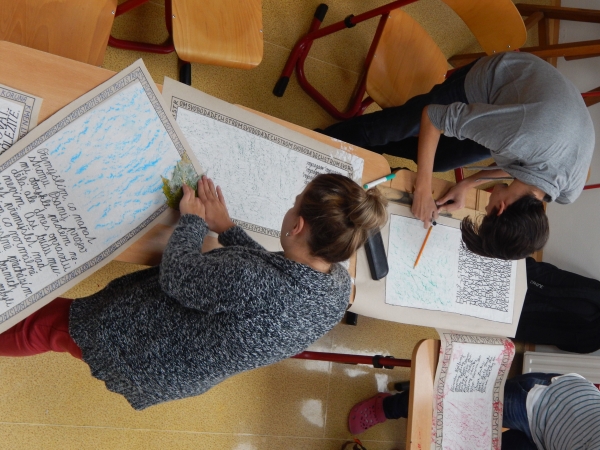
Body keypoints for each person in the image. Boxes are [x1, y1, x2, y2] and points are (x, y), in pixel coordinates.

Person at [0, 173, 388, 410]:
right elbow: (273, 274)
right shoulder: (338, 287)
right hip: (181, 369)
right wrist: (229, 228)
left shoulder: (250, 278)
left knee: (45, 325)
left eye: (294, 202)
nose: (290, 206)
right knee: (50, 322)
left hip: (141, 350)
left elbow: (179, 275)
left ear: (297, 225)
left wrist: (192, 222)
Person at [321, 52, 595, 260]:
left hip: (527, 112)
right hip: (495, 81)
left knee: (440, 161)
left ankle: (372, 151)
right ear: (500, 209)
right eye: (486, 212)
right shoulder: (517, 135)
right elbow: (433, 116)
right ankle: (324, 139)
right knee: (386, 130)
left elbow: (526, 170)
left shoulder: (566, 191)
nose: (484, 208)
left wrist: (469, 183)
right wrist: (423, 189)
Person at [348, 372, 600, 449]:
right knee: (453, 406)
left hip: (551, 443)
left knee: (472, 444)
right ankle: (387, 406)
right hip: (548, 401)